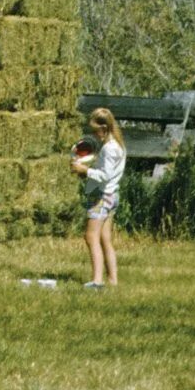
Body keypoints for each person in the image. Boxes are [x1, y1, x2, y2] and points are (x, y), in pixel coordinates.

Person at [71, 106, 125, 289]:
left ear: (104, 128)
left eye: (96, 131)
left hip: (102, 197)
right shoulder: (117, 145)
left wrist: (84, 170)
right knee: (105, 238)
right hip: (112, 195)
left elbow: (104, 175)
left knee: (90, 237)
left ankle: (97, 281)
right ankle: (112, 279)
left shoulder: (109, 149)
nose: (94, 135)